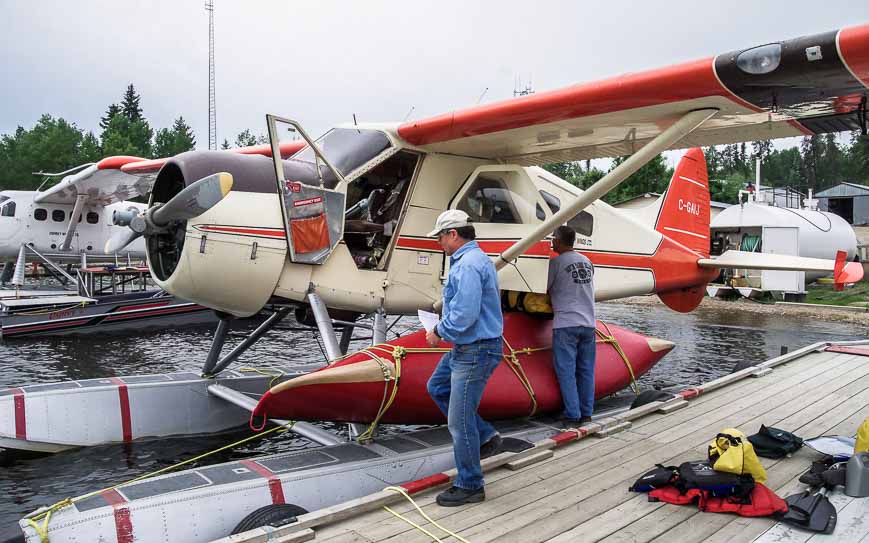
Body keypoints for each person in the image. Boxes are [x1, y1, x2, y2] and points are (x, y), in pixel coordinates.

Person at [424, 209, 504, 507]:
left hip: (475, 349)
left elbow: (464, 315)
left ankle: (471, 484)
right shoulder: (476, 259)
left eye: (441, 237)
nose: (439, 243)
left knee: (458, 422)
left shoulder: (467, 265)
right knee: (437, 387)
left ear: (453, 234)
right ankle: (484, 436)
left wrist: (438, 331)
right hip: (470, 348)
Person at [547, 225, 596, 426]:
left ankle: (572, 414)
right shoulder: (587, 261)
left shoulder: (556, 264)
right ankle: (587, 412)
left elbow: (543, 288)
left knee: (566, 370)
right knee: (586, 370)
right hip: (588, 323)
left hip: (566, 324)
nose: (551, 242)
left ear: (558, 240)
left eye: (553, 239)